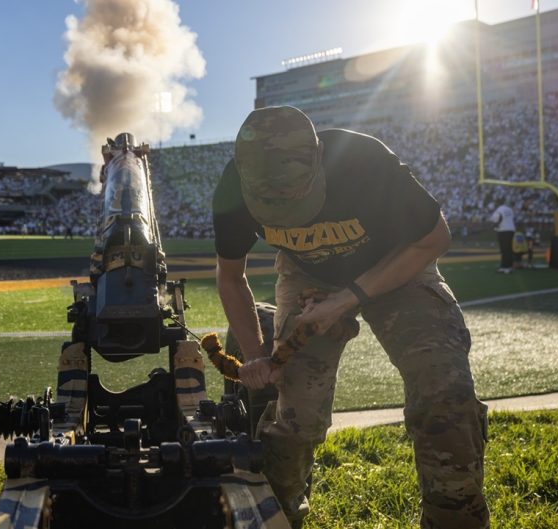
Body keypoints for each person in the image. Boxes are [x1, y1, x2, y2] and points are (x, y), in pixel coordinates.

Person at [212, 106, 488, 528]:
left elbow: (434, 238)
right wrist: (255, 354)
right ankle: (277, 515)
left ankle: (455, 518)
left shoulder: (364, 163)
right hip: (307, 274)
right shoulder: (232, 188)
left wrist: (346, 299)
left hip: (396, 266)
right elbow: (231, 277)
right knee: (296, 412)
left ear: (320, 156)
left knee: (443, 387)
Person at [489, 202, 515, 274]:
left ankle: (505, 267)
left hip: (503, 230)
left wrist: (493, 226)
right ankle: (508, 266)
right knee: (509, 249)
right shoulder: (510, 209)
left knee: (504, 250)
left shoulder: (499, 210)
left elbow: (496, 219)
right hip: (511, 230)